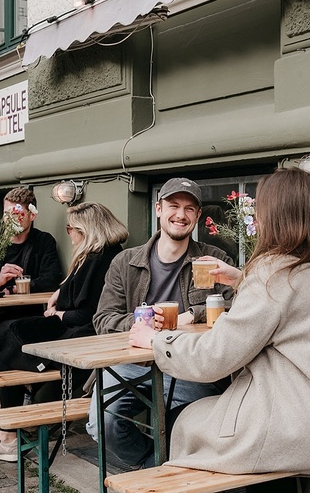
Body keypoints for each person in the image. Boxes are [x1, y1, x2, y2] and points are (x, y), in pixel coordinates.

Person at [129, 168, 310, 492]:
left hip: (303, 428)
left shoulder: (272, 272)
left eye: (260, 208)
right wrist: (242, 278)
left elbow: (215, 357)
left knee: (187, 421)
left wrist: (157, 341)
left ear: (273, 215)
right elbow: (292, 302)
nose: (257, 217)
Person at [89, 177, 235, 469]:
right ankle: (153, 468)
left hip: (188, 364)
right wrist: (142, 323)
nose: (181, 214)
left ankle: (168, 472)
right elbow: (103, 319)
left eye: (189, 208)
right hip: (131, 364)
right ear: (158, 209)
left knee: (188, 431)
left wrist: (192, 314)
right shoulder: (125, 262)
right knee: (103, 424)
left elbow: (237, 307)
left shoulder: (214, 259)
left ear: (197, 215)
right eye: (173, 206)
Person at [0, 202, 129, 462]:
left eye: (70, 228)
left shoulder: (100, 260)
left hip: (83, 339)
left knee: (8, 353)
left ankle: (7, 436)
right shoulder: (96, 255)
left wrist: (59, 314)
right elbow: (75, 293)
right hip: (72, 329)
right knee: (6, 330)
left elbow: (91, 314)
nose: (68, 233)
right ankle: (4, 403)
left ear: (84, 230)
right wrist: (59, 293)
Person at [0, 186, 63, 372]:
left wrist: (13, 289)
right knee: (1, 335)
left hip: (30, 315)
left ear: (32, 215)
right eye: (7, 213)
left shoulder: (43, 241)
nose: (10, 219)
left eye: (17, 213)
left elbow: (51, 279)